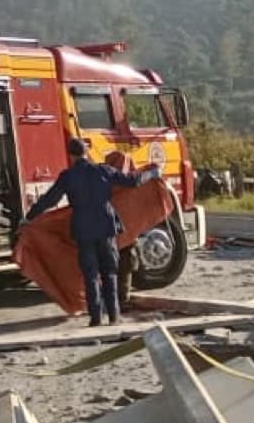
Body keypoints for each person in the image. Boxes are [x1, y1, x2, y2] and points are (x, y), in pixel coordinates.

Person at [23, 137, 155, 330]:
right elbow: (133, 181)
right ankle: (114, 316)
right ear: (86, 153)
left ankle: (95, 318)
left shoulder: (68, 176)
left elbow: (49, 200)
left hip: (83, 230)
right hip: (105, 227)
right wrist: (153, 172)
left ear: (71, 155)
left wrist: (29, 217)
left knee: (90, 275)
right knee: (109, 272)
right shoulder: (103, 170)